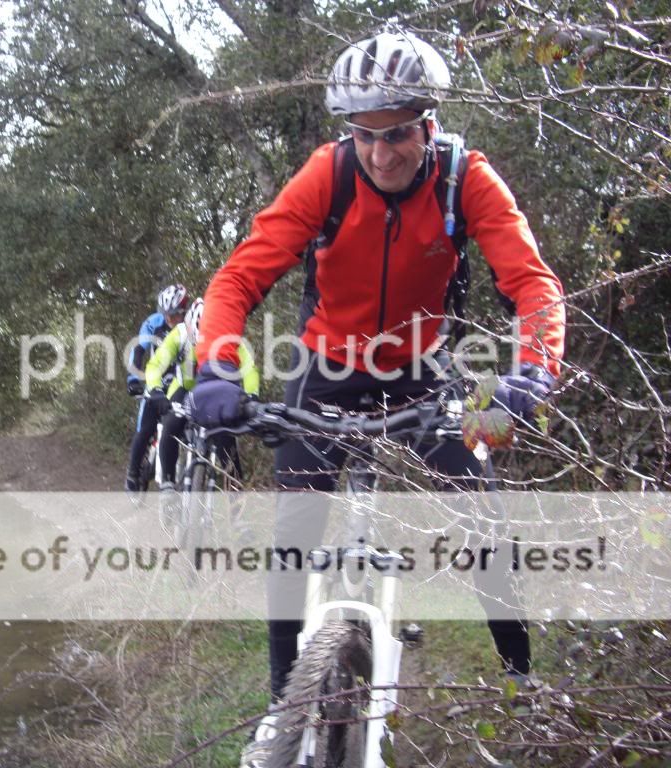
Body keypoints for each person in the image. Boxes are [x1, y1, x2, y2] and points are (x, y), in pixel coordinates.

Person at [187, 31, 565, 767]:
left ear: (429, 123)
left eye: (397, 134)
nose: (381, 152)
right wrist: (220, 369)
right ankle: (280, 704)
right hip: (329, 367)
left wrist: (530, 374)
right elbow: (236, 281)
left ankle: (523, 679)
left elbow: (533, 285)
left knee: (479, 514)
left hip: (424, 368)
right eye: (365, 135)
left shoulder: (466, 180)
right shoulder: (326, 177)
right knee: (293, 529)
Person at [144, 298, 260, 493]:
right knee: (171, 423)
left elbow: (249, 369)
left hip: (216, 390)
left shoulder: (229, 337)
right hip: (184, 389)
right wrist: (156, 390)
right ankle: (167, 484)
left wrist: (252, 396)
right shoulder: (180, 334)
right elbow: (156, 365)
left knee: (226, 439)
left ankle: (238, 512)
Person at [125, 283, 190, 492]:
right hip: (156, 384)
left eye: (175, 314)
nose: (170, 319)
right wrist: (133, 379)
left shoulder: (191, 326)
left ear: (184, 311)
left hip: (181, 386)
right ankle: (132, 474)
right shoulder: (154, 323)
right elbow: (138, 350)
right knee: (145, 430)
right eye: (166, 314)